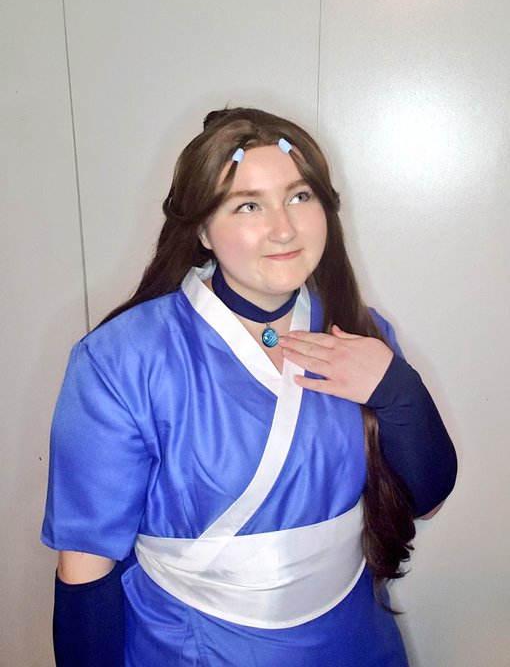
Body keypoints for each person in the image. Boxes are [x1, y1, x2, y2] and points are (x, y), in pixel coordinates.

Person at [42, 107, 457, 666]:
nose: (283, 228)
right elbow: (84, 567)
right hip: (193, 647)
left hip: (356, 640)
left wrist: (394, 387)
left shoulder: (359, 333)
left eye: (299, 196)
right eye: (248, 205)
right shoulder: (121, 359)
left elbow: (426, 503)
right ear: (202, 230)